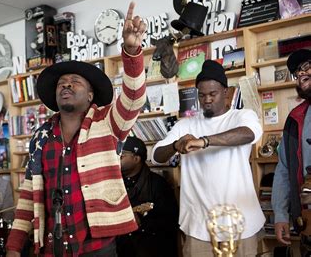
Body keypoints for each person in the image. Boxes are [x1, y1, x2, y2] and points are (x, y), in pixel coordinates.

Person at [6, 1, 147, 257]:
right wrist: (14, 246)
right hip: (52, 248)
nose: (67, 85)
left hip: (97, 247)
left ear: (91, 94)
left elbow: (134, 97)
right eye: (62, 83)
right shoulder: (41, 137)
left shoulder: (108, 123)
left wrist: (131, 50)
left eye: (75, 82)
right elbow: (28, 194)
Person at [152, 60, 264, 257]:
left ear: (226, 92)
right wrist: (175, 145)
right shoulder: (185, 125)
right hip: (199, 227)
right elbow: (156, 156)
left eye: (213, 94)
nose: (207, 100)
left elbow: (249, 134)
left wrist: (204, 141)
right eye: (202, 95)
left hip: (241, 224)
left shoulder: (242, 116)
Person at [271, 49, 311, 254]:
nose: (302, 74)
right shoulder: (294, 119)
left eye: (307, 66)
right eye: (297, 72)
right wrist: (280, 214)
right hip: (307, 223)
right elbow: (284, 169)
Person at [116, 136, 179, 257]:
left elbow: (170, 221)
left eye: (121, 155)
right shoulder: (112, 183)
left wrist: (141, 223)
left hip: (149, 248)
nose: (116, 159)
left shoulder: (158, 184)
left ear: (136, 158)